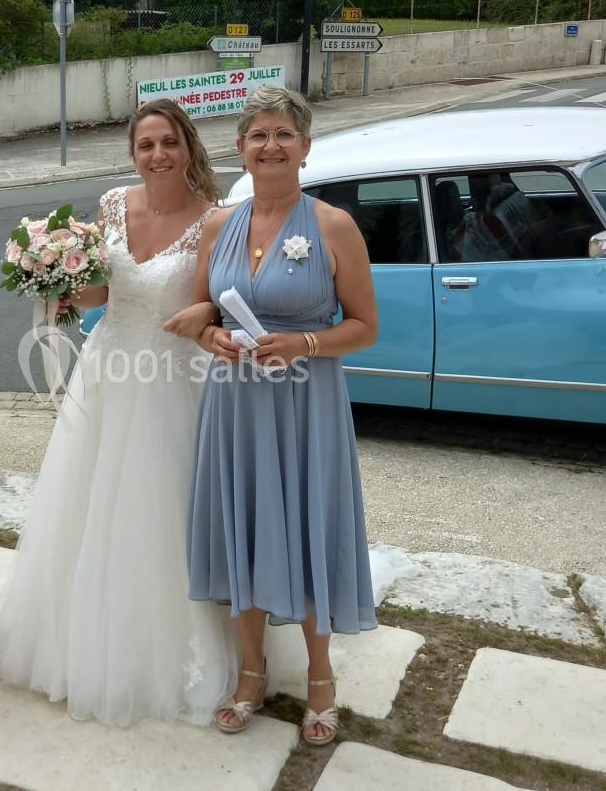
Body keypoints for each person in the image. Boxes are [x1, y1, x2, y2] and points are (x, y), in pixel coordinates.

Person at [0, 99, 237, 727]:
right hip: (106, 369)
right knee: (89, 501)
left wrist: (204, 321)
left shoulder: (213, 221)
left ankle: (173, 647)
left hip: (170, 376)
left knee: (163, 508)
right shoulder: (110, 206)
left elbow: (210, 307)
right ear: (133, 153)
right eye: (145, 145)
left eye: (168, 143)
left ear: (188, 147)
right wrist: (55, 280)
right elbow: (103, 290)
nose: (157, 155)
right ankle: (86, 640)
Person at [185, 86, 380, 746]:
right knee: (244, 526)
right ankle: (250, 672)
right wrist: (211, 336)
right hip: (236, 401)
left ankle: (321, 680)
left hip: (305, 404)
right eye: (258, 135)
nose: (270, 146)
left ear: (304, 147)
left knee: (307, 529)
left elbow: (366, 327)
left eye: (282, 134)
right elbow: (202, 312)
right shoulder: (218, 223)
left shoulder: (333, 226)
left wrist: (304, 342)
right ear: (239, 149)